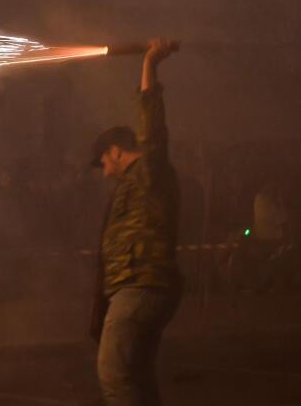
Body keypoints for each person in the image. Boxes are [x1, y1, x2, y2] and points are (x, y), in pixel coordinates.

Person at [88, 38, 183, 406]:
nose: (104, 172)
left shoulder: (148, 171)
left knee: (114, 374)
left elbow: (152, 130)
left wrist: (149, 64)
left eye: (103, 162)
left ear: (115, 151)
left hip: (140, 285)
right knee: (136, 378)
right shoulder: (134, 182)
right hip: (136, 287)